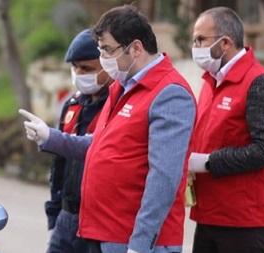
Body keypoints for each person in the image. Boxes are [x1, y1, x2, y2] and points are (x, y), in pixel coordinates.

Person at [20, 4, 196, 253]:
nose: (103, 58)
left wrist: (141, 244)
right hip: (103, 233)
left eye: (107, 50)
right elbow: (102, 145)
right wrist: (52, 137)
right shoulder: (121, 87)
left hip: (134, 241)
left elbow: (164, 178)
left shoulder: (169, 94)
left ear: (135, 48)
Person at [187, 7, 264, 253]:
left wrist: (208, 162)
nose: (195, 46)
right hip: (210, 215)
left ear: (226, 42)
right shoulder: (211, 81)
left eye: (200, 39)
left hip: (244, 222)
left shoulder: (258, 82)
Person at [45, 28, 113, 253]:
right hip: (66, 218)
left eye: (86, 68)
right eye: (75, 68)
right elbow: (60, 163)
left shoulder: (118, 107)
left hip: (99, 220)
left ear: (107, 64)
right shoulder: (72, 105)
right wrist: (54, 211)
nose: (79, 73)